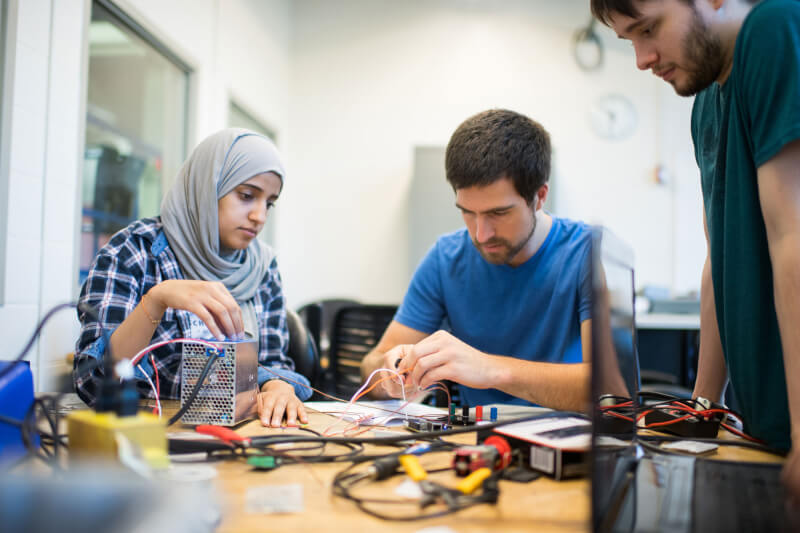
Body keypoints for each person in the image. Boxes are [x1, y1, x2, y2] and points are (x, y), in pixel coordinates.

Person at [591, 0, 800, 498]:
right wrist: (704, 408)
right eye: (629, 40)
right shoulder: (706, 102)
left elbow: (792, 238)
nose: (642, 58)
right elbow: (718, 266)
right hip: (764, 427)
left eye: (649, 28)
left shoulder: (774, 30)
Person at [74, 128, 310, 428]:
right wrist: (155, 301)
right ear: (206, 187)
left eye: (269, 203)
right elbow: (93, 383)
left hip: (245, 437)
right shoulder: (134, 252)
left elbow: (276, 364)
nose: (260, 216)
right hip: (152, 437)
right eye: (247, 196)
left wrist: (278, 385)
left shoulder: (262, 268)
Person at [360, 109, 594, 412]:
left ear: (540, 196)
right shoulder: (445, 259)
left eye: (498, 213)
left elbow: (613, 389)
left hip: (569, 445)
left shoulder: (588, 254)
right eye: (467, 212)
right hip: (475, 442)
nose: (481, 234)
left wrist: (490, 370)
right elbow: (372, 363)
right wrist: (389, 372)